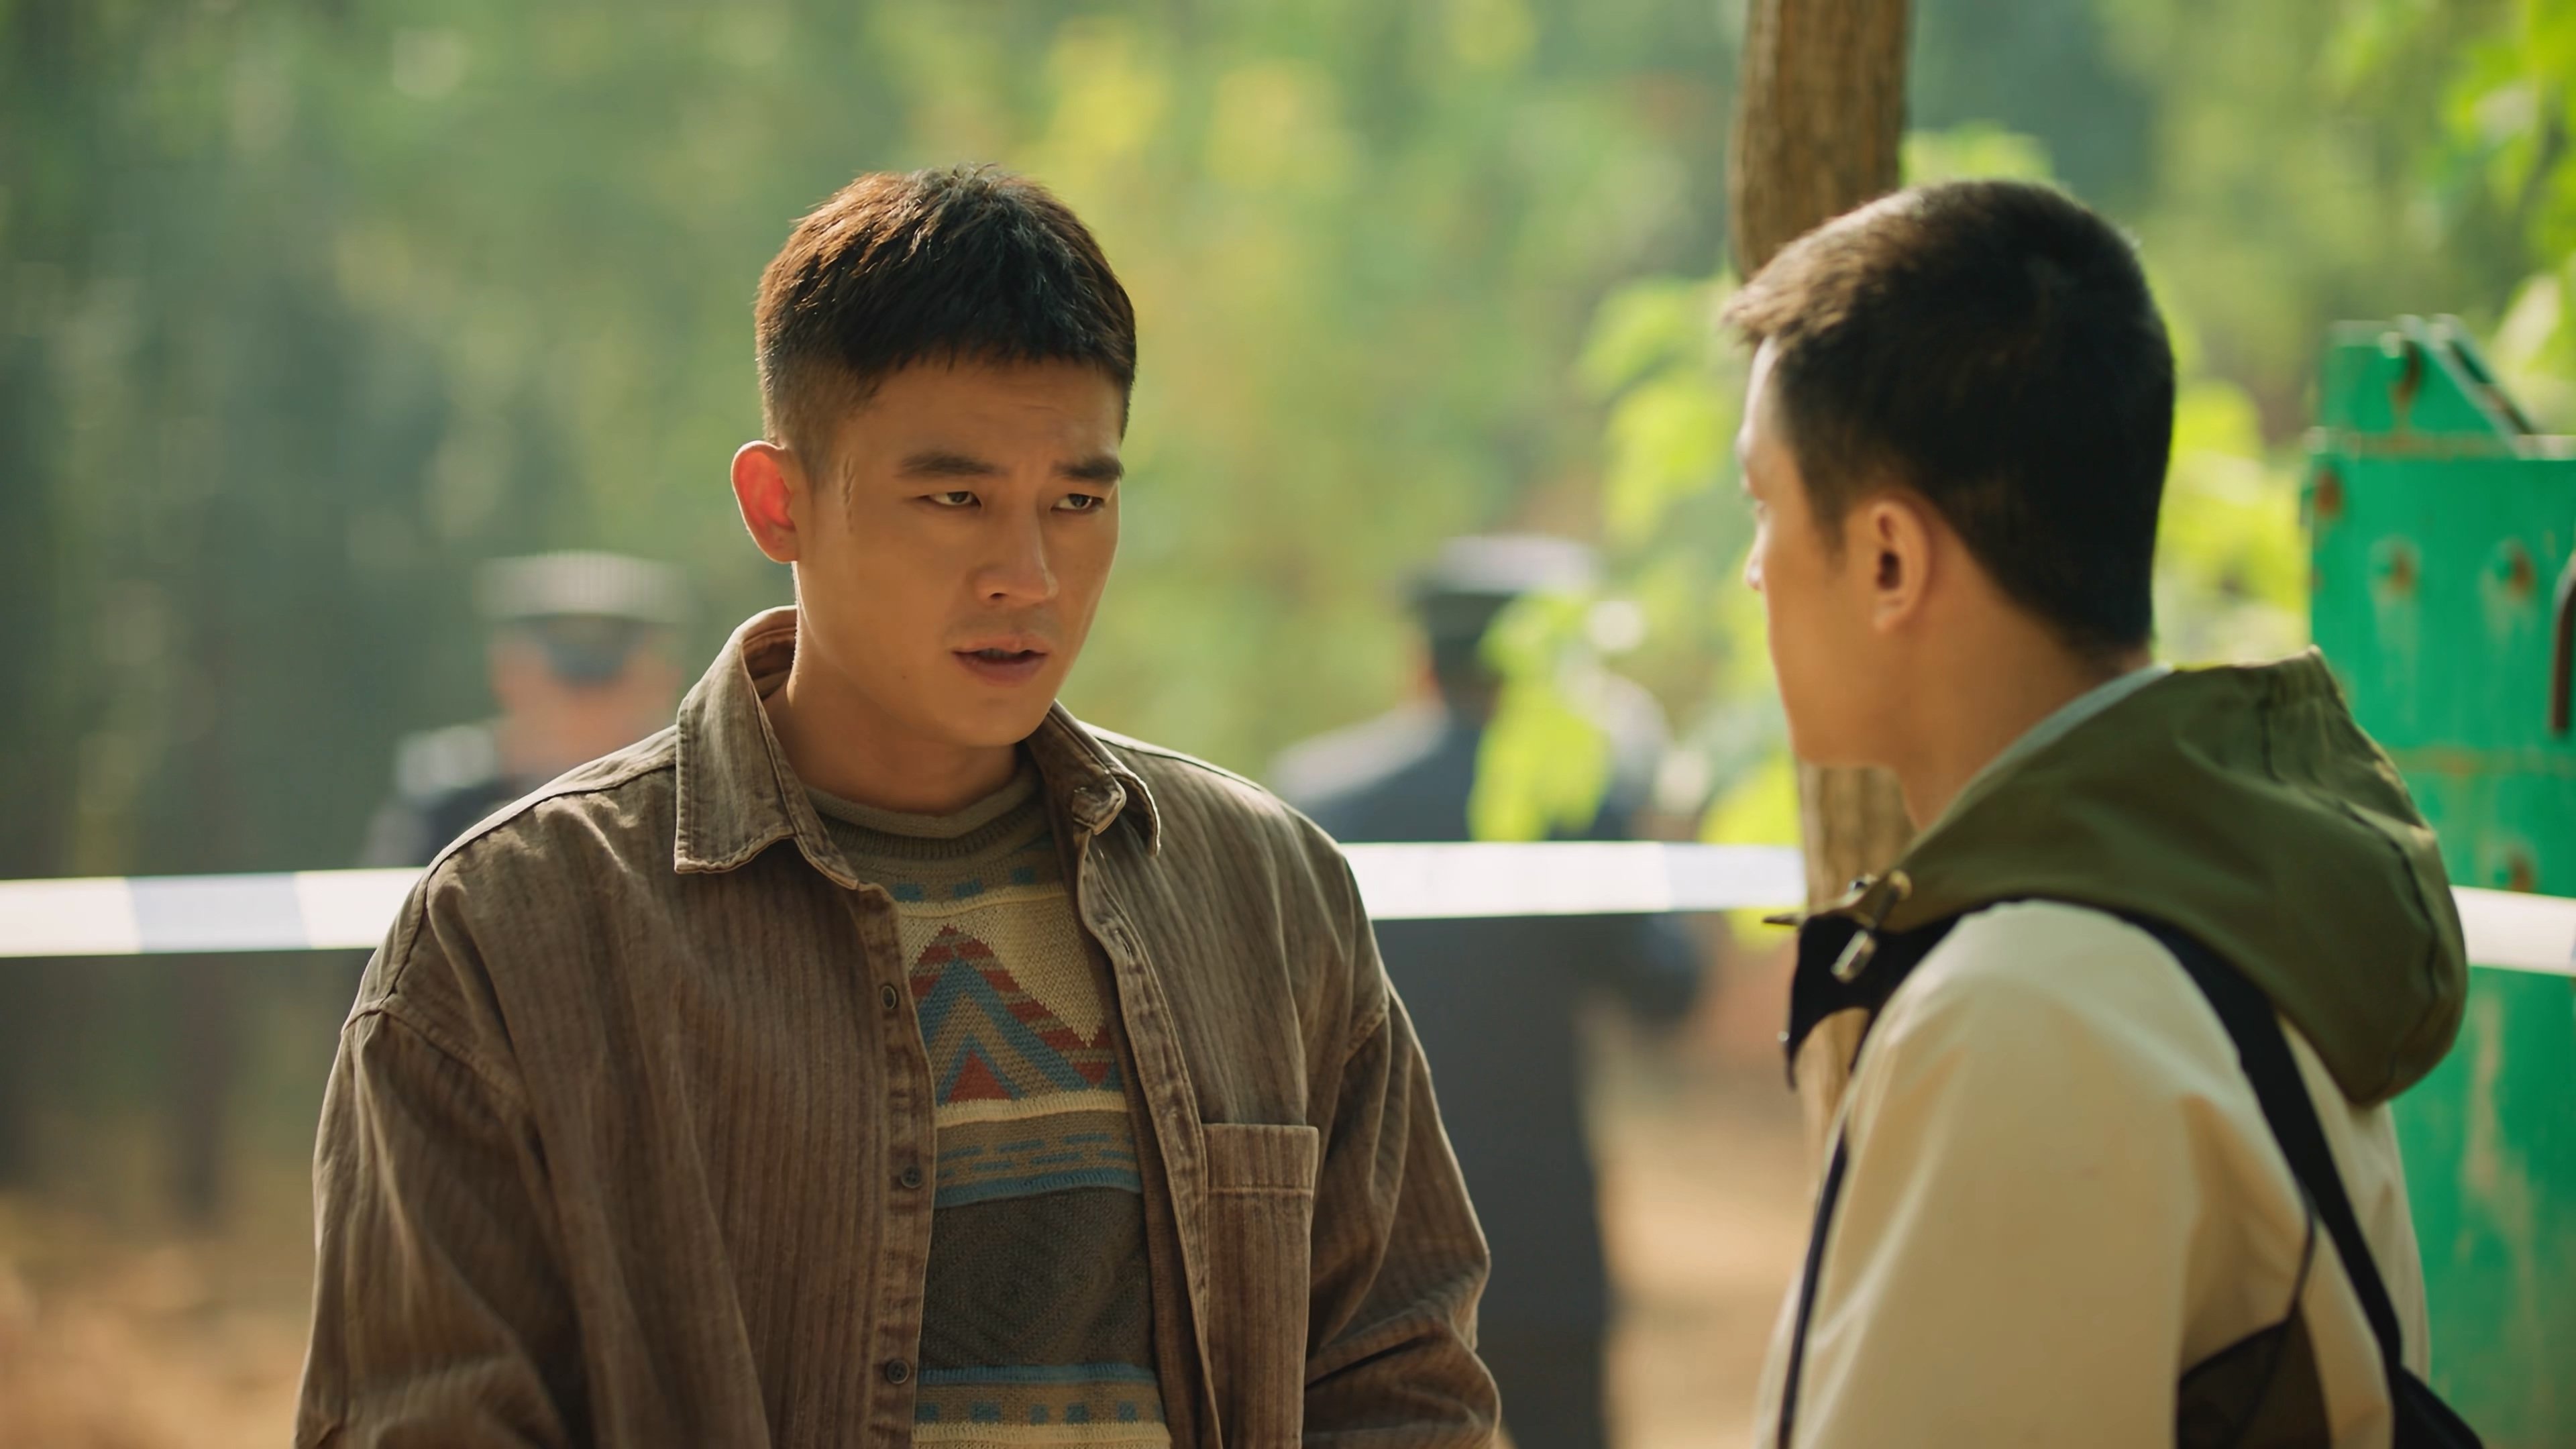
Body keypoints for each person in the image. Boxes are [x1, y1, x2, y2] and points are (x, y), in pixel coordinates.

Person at [297, 166, 1498, 1449]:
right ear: (780, 504)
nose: (1027, 576)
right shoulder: (517, 935)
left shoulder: (1263, 895)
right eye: (955, 498)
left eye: (1078, 501)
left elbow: (1403, 1383)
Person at [1727, 179, 2471, 1447]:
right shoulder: (2227, 901)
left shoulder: (2023, 1010)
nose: (1753, 568)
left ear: (1889, 559)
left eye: (1765, 505)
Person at [1273, 534, 1700, 1449]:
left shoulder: (1317, 802)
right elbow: (1669, 991)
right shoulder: (1577, 808)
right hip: (1537, 1243)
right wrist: (1651, 829)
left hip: (1359, 1244)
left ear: (1420, 666)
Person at [358, 551, 686, 867]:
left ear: (664, 678)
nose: (585, 710)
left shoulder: (689, 798)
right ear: (507, 672)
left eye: (606, 681)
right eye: (568, 680)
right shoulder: (446, 807)